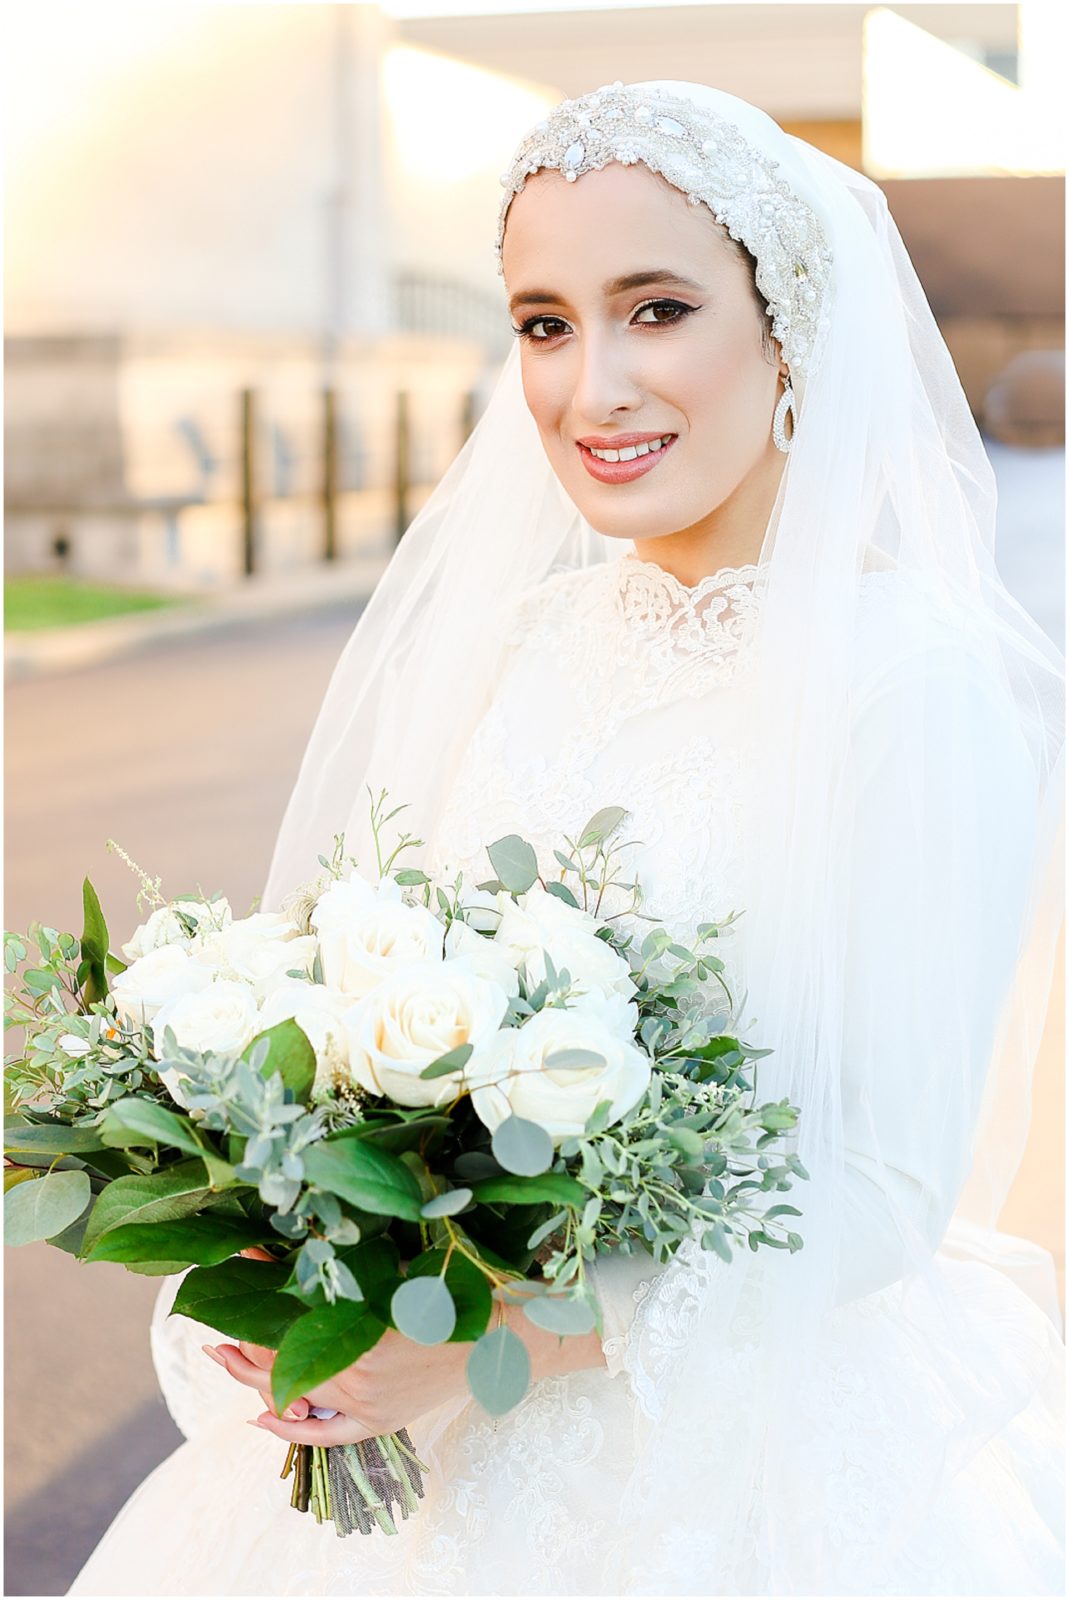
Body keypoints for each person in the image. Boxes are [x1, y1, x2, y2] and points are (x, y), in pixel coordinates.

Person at [68, 79, 1064, 1596]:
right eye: (542, 323)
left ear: (789, 329)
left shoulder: (912, 687)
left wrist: (479, 1353)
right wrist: (302, 1228)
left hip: (720, 1468)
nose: (588, 387)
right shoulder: (521, 641)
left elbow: (874, 1196)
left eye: (653, 310)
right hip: (417, 1437)